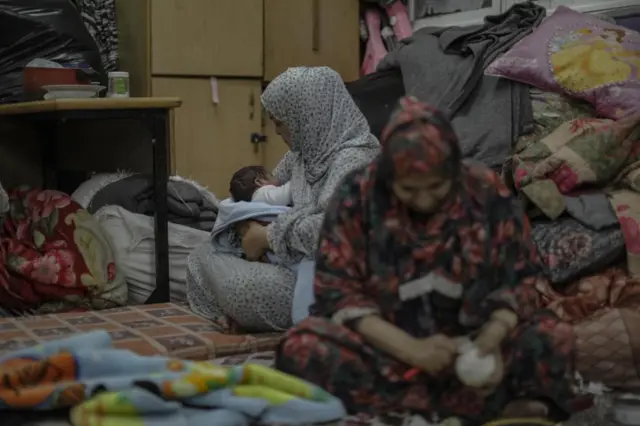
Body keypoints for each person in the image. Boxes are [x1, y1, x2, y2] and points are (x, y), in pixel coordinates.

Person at [276, 97, 578, 424]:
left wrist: (493, 336)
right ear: (390, 178)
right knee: (302, 347)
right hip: (387, 348)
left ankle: (423, 408)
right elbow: (337, 292)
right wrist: (411, 350)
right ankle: (476, 408)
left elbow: (521, 277)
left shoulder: (484, 191)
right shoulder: (358, 195)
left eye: (436, 187)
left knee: (553, 336)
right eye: (408, 190)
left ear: (453, 171)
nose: (423, 200)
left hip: (472, 341)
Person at [186, 66, 380, 330]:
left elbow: (335, 231)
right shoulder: (303, 152)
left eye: (280, 122)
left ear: (307, 115)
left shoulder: (356, 160)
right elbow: (264, 193)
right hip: (288, 258)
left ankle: (240, 311)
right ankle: (234, 312)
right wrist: (246, 221)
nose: (277, 131)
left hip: (325, 276)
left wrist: (266, 237)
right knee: (201, 254)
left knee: (240, 287)